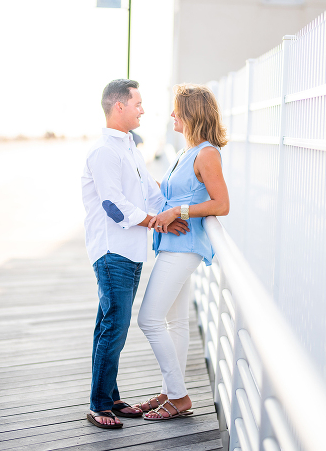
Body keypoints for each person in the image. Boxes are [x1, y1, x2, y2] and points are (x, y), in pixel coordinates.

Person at [82, 79, 189, 429]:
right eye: (138, 103)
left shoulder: (130, 148)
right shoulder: (104, 152)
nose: (143, 109)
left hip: (131, 251)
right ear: (119, 107)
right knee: (114, 326)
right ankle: (100, 404)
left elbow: (151, 194)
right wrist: (155, 222)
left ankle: (111, 396)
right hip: (112, 250)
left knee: (109, 324)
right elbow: (113, 205)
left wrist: (177, 215)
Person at [135, 83, 229, 421]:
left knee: (148, 319)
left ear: (191, 113)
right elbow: (172, 194)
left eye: (177, 110)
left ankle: (179, 396)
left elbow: (222, 203)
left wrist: (179, 212)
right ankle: (168, 391)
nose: (172, 115)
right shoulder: (185, 152)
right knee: (175, 322)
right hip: (173, 244)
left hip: (185, 246)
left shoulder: (207, 153)